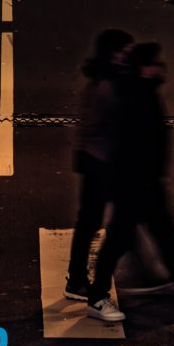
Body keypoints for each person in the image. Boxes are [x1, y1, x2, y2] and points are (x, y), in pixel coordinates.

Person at [83, 43, 174, 322]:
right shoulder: (136, 96)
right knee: (120, 242)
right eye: (156, 63)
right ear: (145, 67)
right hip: (135, 185)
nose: (161, 68)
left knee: (164, 239)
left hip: (145, 183)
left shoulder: (142, 92)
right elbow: (132, 145)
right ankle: (97, 298)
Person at [65, 28, 134, 305]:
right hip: (101, 163)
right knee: (100, 223)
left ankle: (78, 279)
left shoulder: (103, 80)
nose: (128, 56)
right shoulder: (107, 85)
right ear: (114, 53)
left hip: (98, 161)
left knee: (91, 223)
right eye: (124, 51)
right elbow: (101, 125)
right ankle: (79, 280)